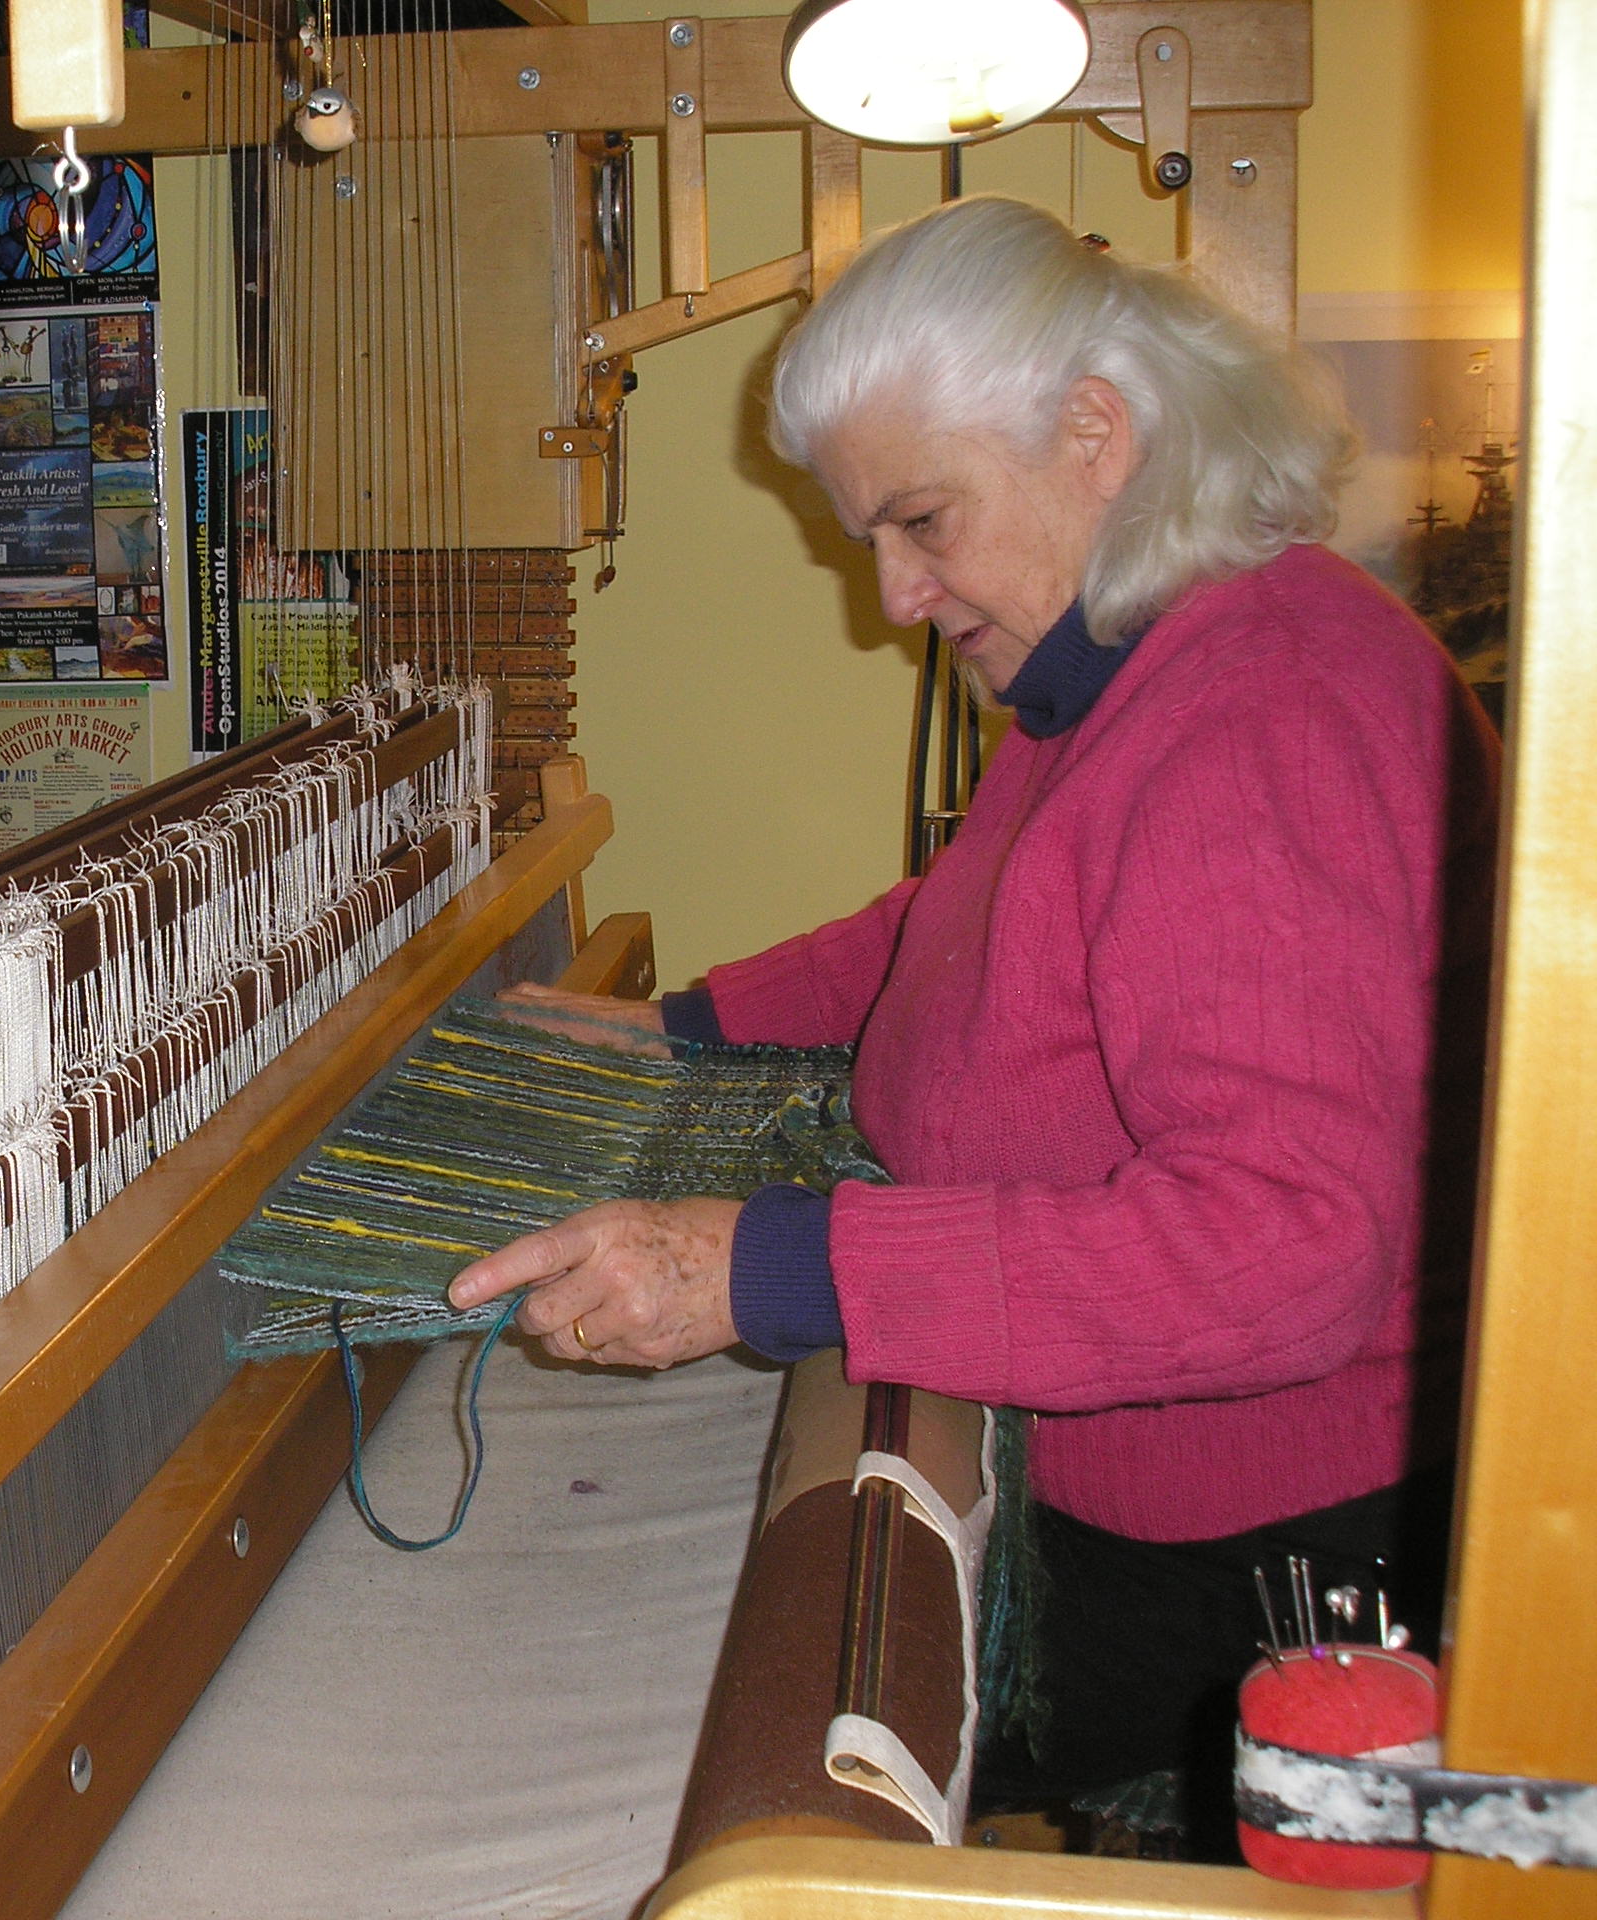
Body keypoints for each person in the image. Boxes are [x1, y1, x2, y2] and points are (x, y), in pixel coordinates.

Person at [447, 198, 1499, 1841]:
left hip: (1272, 1577)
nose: (895, 597)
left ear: (1096, 435)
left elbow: (1286, 1247)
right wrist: (684, 1029)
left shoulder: (1260, 718)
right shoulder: (1130, 671)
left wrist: (767, 1273)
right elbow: (970, 923)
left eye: (922, 521)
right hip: (1165, 1498)